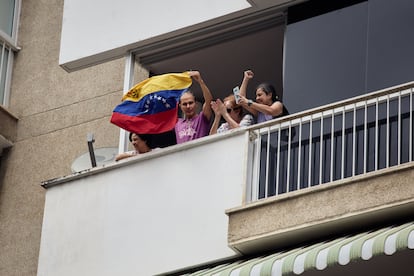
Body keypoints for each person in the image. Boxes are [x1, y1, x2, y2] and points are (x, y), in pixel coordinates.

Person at [175, 71, 213, 143]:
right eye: (185, 104)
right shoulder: (177, 122)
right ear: (180, 106)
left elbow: (209, 101)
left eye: (190, 103)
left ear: (195, 103)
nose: (188, 106)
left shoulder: (202, 118)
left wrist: (200, 81)